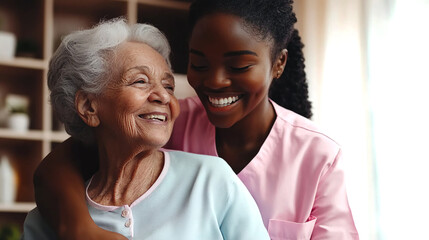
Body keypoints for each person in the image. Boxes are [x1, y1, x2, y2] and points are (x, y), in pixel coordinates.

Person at [33, 0, 359, 239]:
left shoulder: (318, 157)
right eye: (199, 65)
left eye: (239, 66)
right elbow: (66, 160)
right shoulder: (162, 123)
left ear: (278, 64)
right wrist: (77, 228)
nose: (215, 81)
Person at [21, 18, 270, 240]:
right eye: (140, 81)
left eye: (168, 86)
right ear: (89, 106)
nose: (163, 96)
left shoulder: (211, 180)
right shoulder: (46, 222)